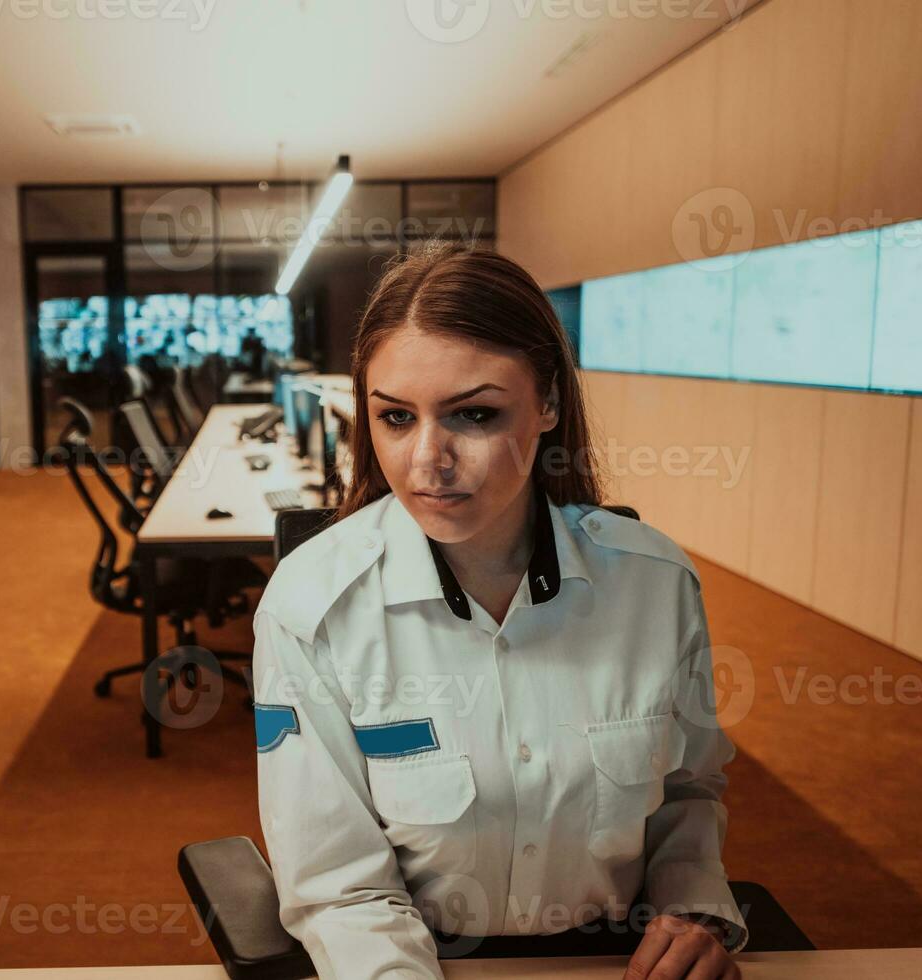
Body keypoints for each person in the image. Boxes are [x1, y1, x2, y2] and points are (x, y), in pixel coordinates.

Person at [253, 242, 746, 979]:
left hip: (609, 962)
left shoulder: (655, 586)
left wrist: (692, 908)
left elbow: (688, 792)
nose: (427, 461)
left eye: (474, 415)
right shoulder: (311, 605)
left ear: (547, 403)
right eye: (394, 417)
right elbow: (339, 889)